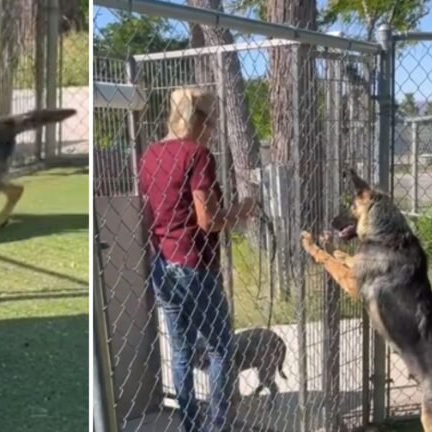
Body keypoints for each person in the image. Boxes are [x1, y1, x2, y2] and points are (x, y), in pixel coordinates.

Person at [138, 87, 257, 432]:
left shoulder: (150, 155)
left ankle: (190, 424)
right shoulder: (198, 154)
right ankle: (218, 425)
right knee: (221, 348)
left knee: (182, 352)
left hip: (163, 263)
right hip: (196, 265)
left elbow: (152, 210)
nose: (214, 129)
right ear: (199, 120)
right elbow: (208, 220)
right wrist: (242, 211)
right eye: (213, 121)